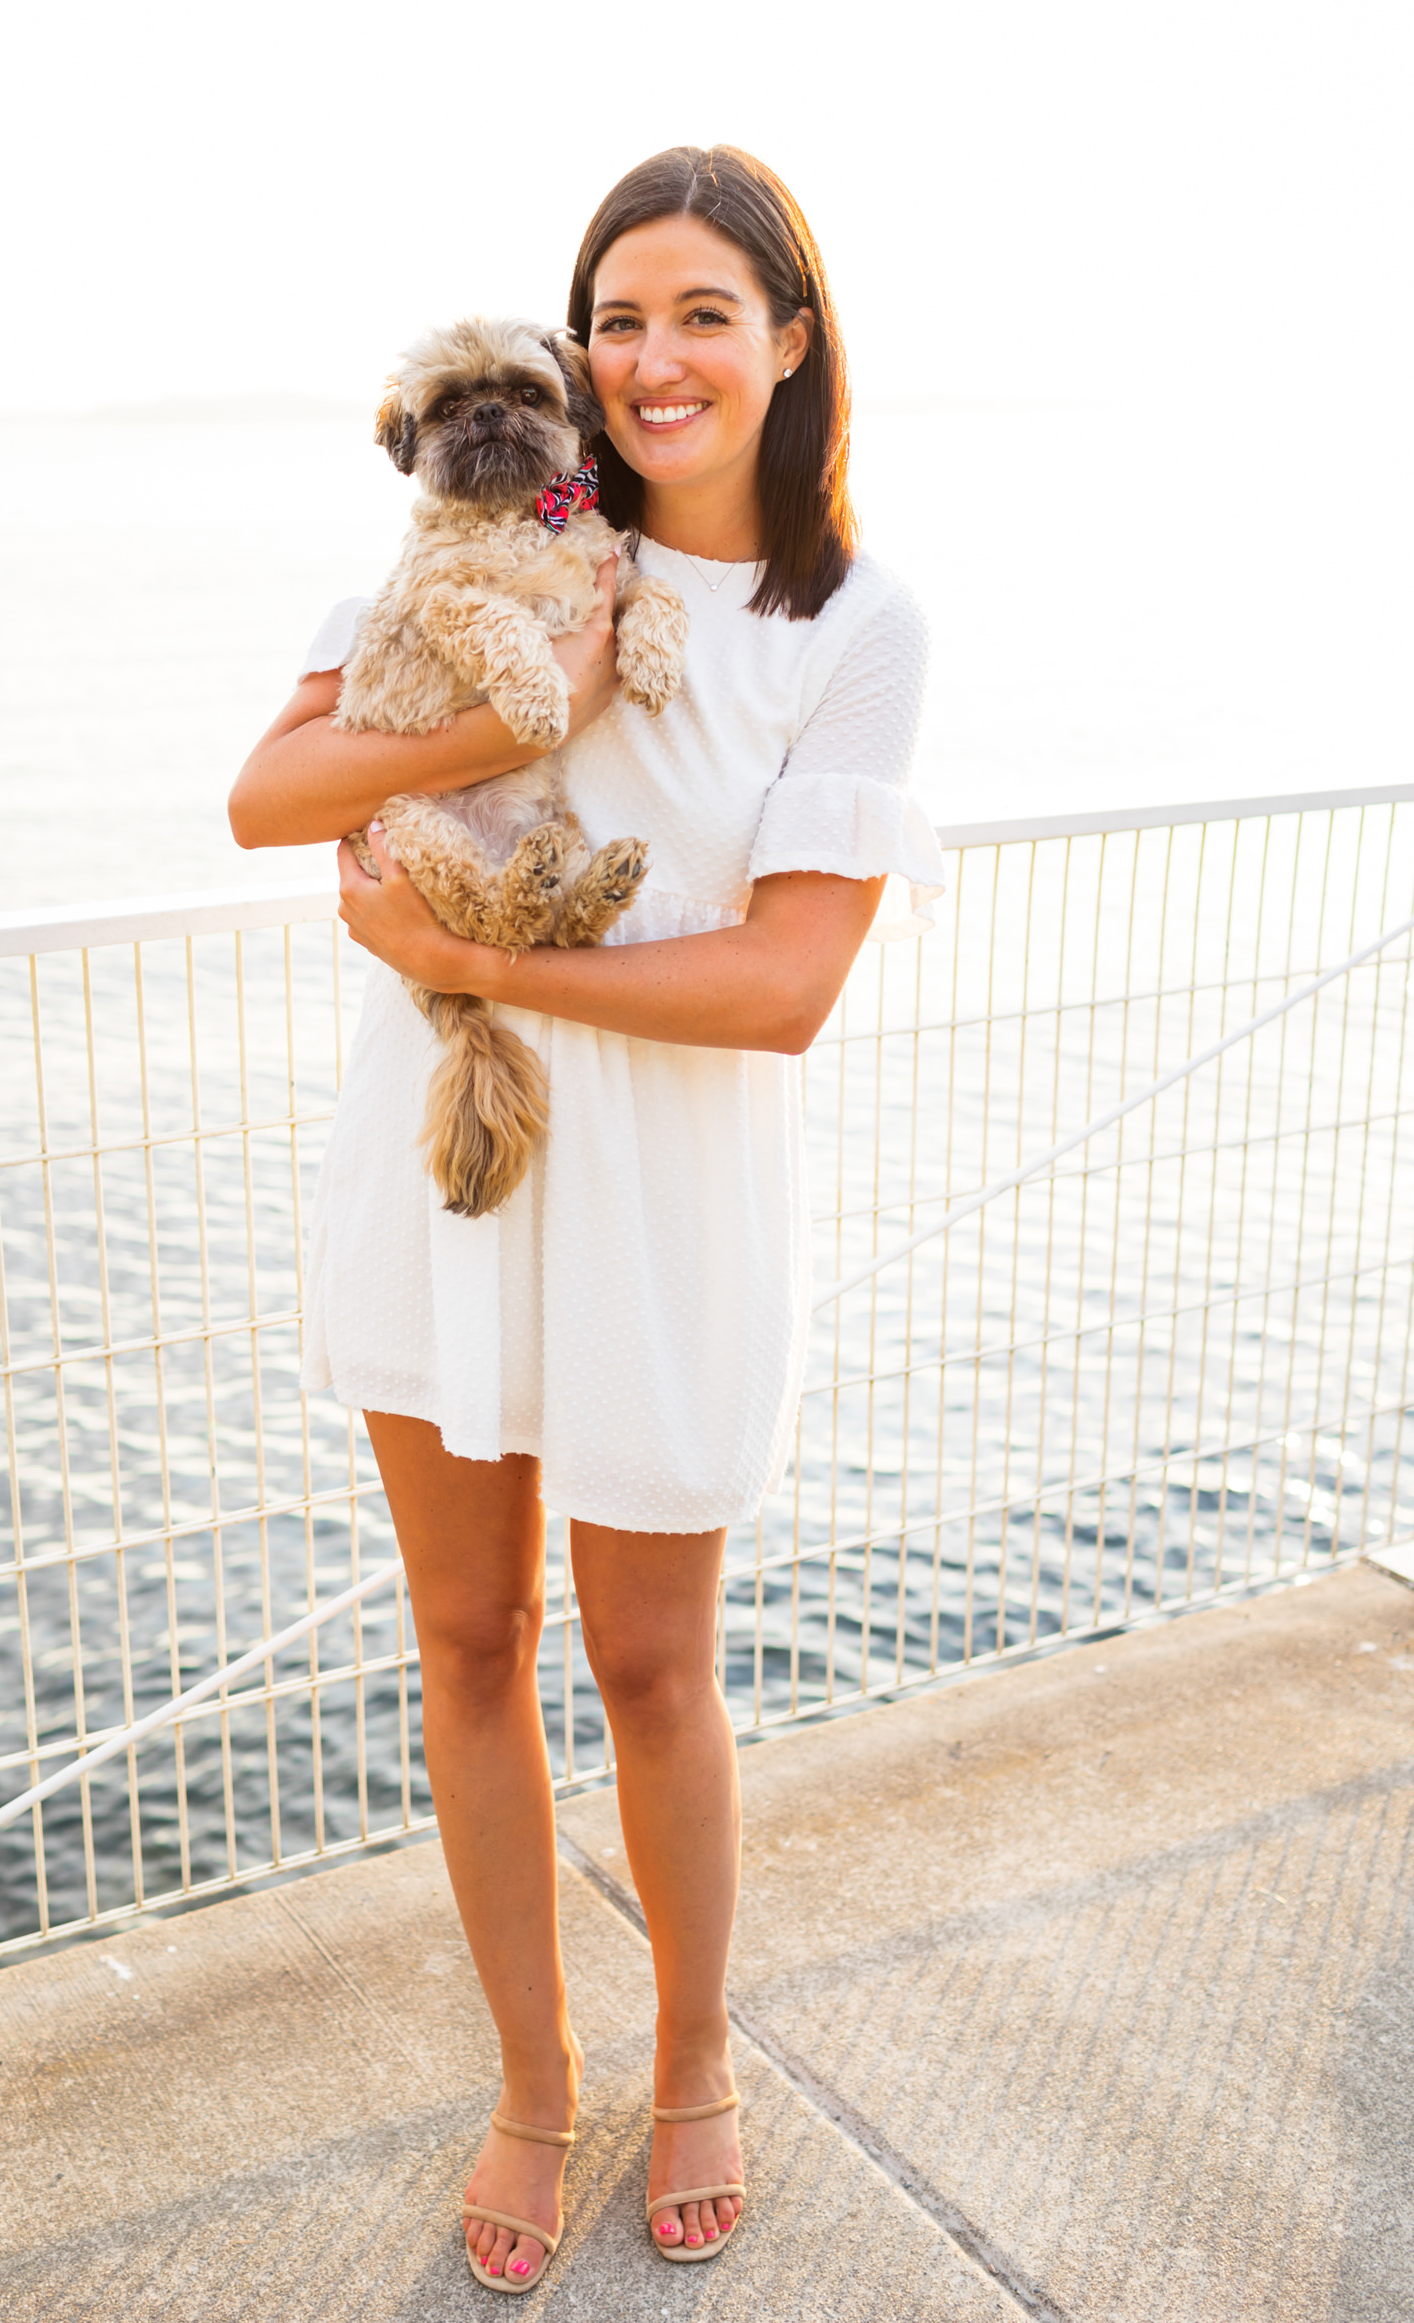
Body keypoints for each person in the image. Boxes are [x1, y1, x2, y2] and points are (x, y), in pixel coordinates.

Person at [228, 143, 944, 2293]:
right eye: (614, 318)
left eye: (702, 315)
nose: (650, 360)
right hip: (450, 1174)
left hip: (666, 1199)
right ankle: (535, 2082)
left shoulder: (850, 624)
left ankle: (697, 2053)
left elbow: (783, 987)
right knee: (466, 1644)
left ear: (790, 342)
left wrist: (484, 965)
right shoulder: (498, 538)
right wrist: (484, 708)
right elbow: (271, 796)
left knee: (647, 1663)